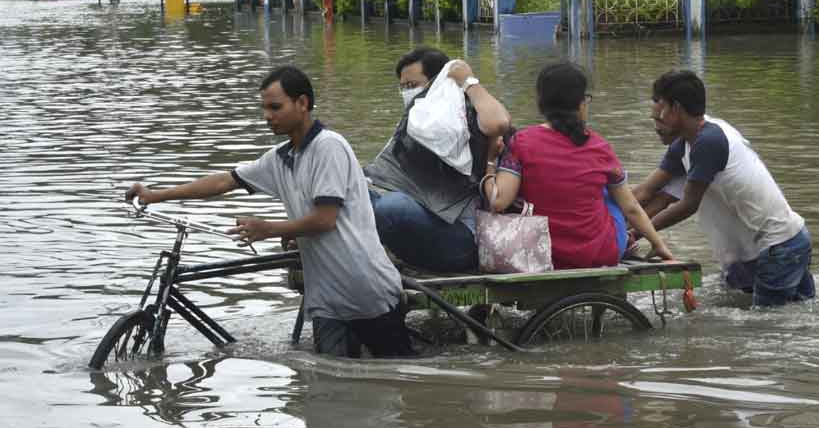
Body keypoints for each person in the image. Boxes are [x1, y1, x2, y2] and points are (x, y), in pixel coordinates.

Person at [125, 66, 414, 358]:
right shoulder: (280, 158)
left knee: (398, 371)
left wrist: (268, 229)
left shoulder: (328, 147)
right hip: (327, 299)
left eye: (275, 107)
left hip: (364, 289)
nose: (267, 116)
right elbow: (224, 181)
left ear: (302, 103)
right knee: (333, 381)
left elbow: (326, 219)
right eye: (264, 108)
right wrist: (155, 195)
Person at [632, 70, 814, 306]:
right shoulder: (685, 142)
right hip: (764, 248)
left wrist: (638, 233)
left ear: (675, 108)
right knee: (798, 315)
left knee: (766, 324)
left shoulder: (709, 142)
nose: (656, 123)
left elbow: (688, 205)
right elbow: (647, 192)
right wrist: (614, 224)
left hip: (777, 247)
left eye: (659, 115)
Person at [483, 62, 673, 269]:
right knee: (609, 190)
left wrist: (490, 160)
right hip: (600, 254)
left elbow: (498, 202)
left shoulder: (521, 142)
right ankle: (626, 241)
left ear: (541, 102)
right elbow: (631, 208)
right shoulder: (600, 147)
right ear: (581, 104)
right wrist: (658, 244)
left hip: (544, 255)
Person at [366, 47, 511, 273]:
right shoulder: (418, 123)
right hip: (422, 221)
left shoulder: (467, 116)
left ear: (440, 81)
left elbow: (499, 123)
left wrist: (467, 81)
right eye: (403, 87)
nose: (407, 93)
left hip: (461, 238)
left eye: (412, 85)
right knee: (350, 193)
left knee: (390, 208)